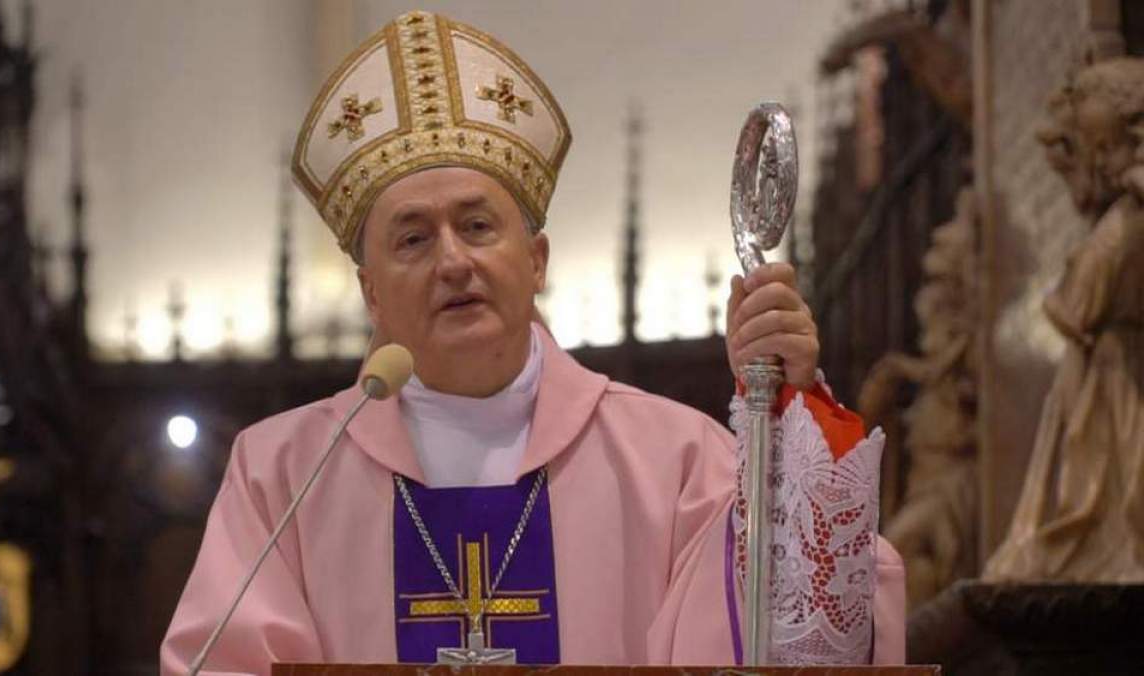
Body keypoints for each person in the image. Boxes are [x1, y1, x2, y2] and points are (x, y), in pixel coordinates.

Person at [161, 11, 904, 674]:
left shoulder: (676, 460)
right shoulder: (282, 475)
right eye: (414, 238)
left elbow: (801, 644)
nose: (453, 261)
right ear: (371, 294)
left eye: (477, 226)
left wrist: (789, 422)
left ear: (537, 261)